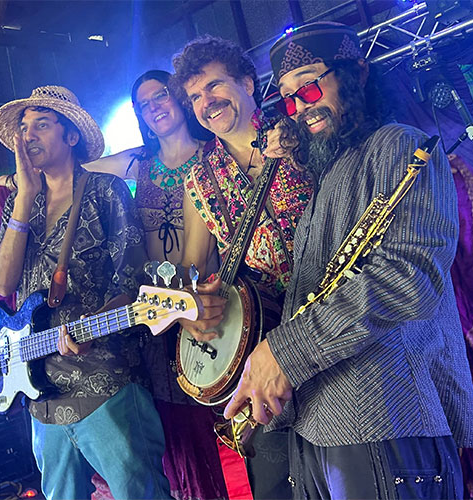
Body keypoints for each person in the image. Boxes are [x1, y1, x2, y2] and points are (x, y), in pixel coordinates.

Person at [213, 22, 473, 499]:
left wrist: (285, 352)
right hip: (320, 426)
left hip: (384, 416)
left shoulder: (399, 144)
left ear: (356, 74)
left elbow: (409, 276)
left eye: (310, 86)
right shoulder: (329, 172)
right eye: (289, 99)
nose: (301, 106)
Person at [0, 73, 228, 500]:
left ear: (71, 136)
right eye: (23, 127)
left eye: (41, 124)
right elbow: (3, 284)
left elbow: (131, 278)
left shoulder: (105, 191)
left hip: (107, 381)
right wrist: (22, 199)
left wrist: (94, 324)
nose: (28, 135)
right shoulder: (21, 203)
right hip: (41, 394)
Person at [171, 36, 313, 499]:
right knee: (277, 485)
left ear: (248, 83)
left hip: (332, 319)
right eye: (195, 96)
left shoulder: (301, 128)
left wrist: (299, 149)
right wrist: (192, 307)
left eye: (215, 86)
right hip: (263, 336)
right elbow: (191, 270)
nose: (206, 102)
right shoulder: (199, 178)